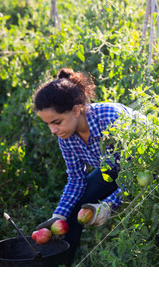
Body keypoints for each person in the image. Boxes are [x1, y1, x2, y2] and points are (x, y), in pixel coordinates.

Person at [33, 68, 135, 266]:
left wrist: (108, 205)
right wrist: (59, 214)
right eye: (48, 124)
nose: (53, 130)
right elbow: (76, 179)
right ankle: (62, 266)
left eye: (56, 122)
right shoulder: (66, 136)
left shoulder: (110, 119)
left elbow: (135, 172)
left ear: (76, 110)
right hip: (113, 168)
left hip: (147, 165)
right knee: (72, 210)